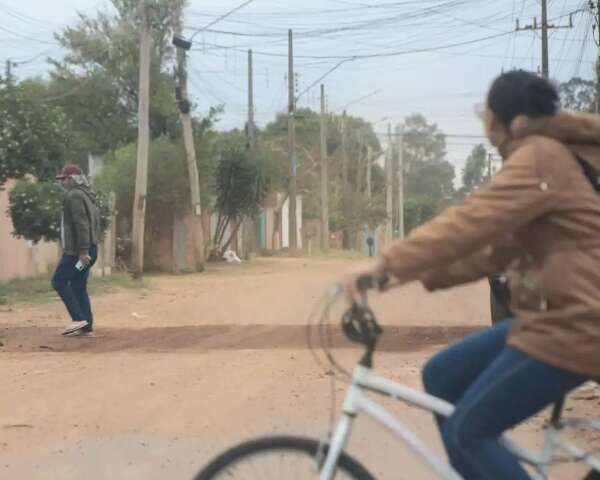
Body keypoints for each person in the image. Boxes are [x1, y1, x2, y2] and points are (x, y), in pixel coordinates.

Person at [345, 70, 600, 479]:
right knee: (441, 375)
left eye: (487, 112)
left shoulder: (539, 157)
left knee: (468, 432)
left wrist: (386, 262)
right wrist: (398, 277)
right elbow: (492, 249)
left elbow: (470, 222)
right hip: (552, 319)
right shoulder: (540, 160)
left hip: (575, 326)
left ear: (506, 122)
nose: (484, 121)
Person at [51, 164, 101, 337]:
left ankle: (78, 319)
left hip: (79, 255)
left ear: (72, 178)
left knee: (59, 281)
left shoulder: (73, 196)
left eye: (64, 178)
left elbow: (82, 224)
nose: (62, 182)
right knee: (78, 284)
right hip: (90, 252)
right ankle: (86, 328)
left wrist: (82, 251)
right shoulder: (87, 195)